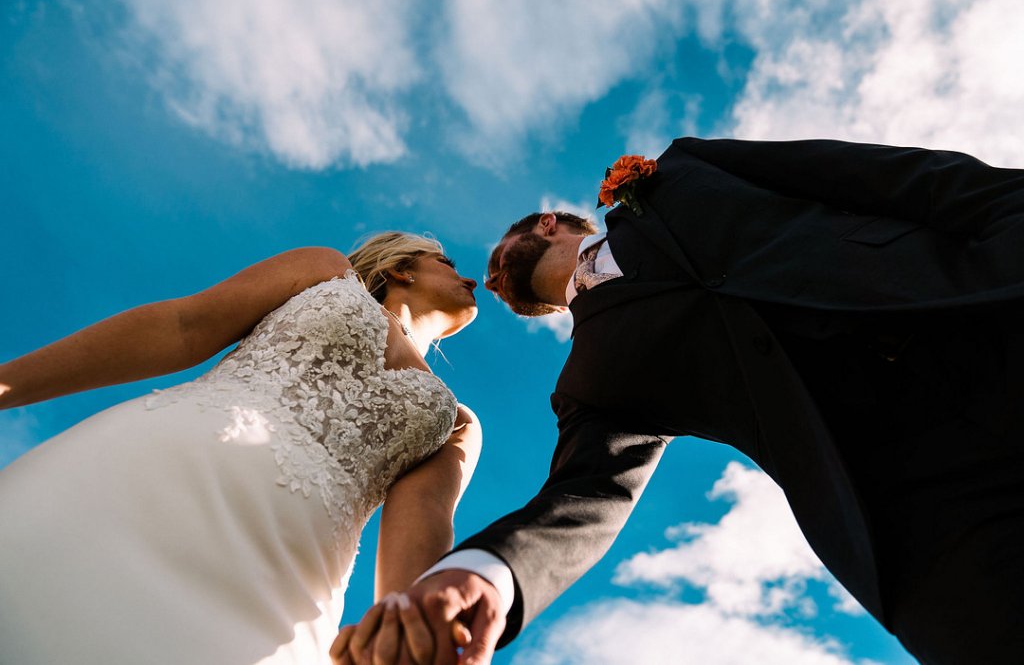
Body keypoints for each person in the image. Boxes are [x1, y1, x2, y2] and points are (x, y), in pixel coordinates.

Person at [340, 138, 1024, 665]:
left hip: (987, 315)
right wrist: (487, 578)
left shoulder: (684, 171)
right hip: (928, 517)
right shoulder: (590, 381)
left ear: (546, 224)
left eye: (497, 256)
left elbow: (882, 178)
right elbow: (582, 498)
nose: (489, 276)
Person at [0, 231, 483, 664]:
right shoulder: (326, 271)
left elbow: (425, 520)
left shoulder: (456, 422)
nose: (472, 281)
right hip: (155, 468)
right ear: (402, 268)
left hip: (290, 579)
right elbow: (185, 325)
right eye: (449, 264)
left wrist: (404, 632)